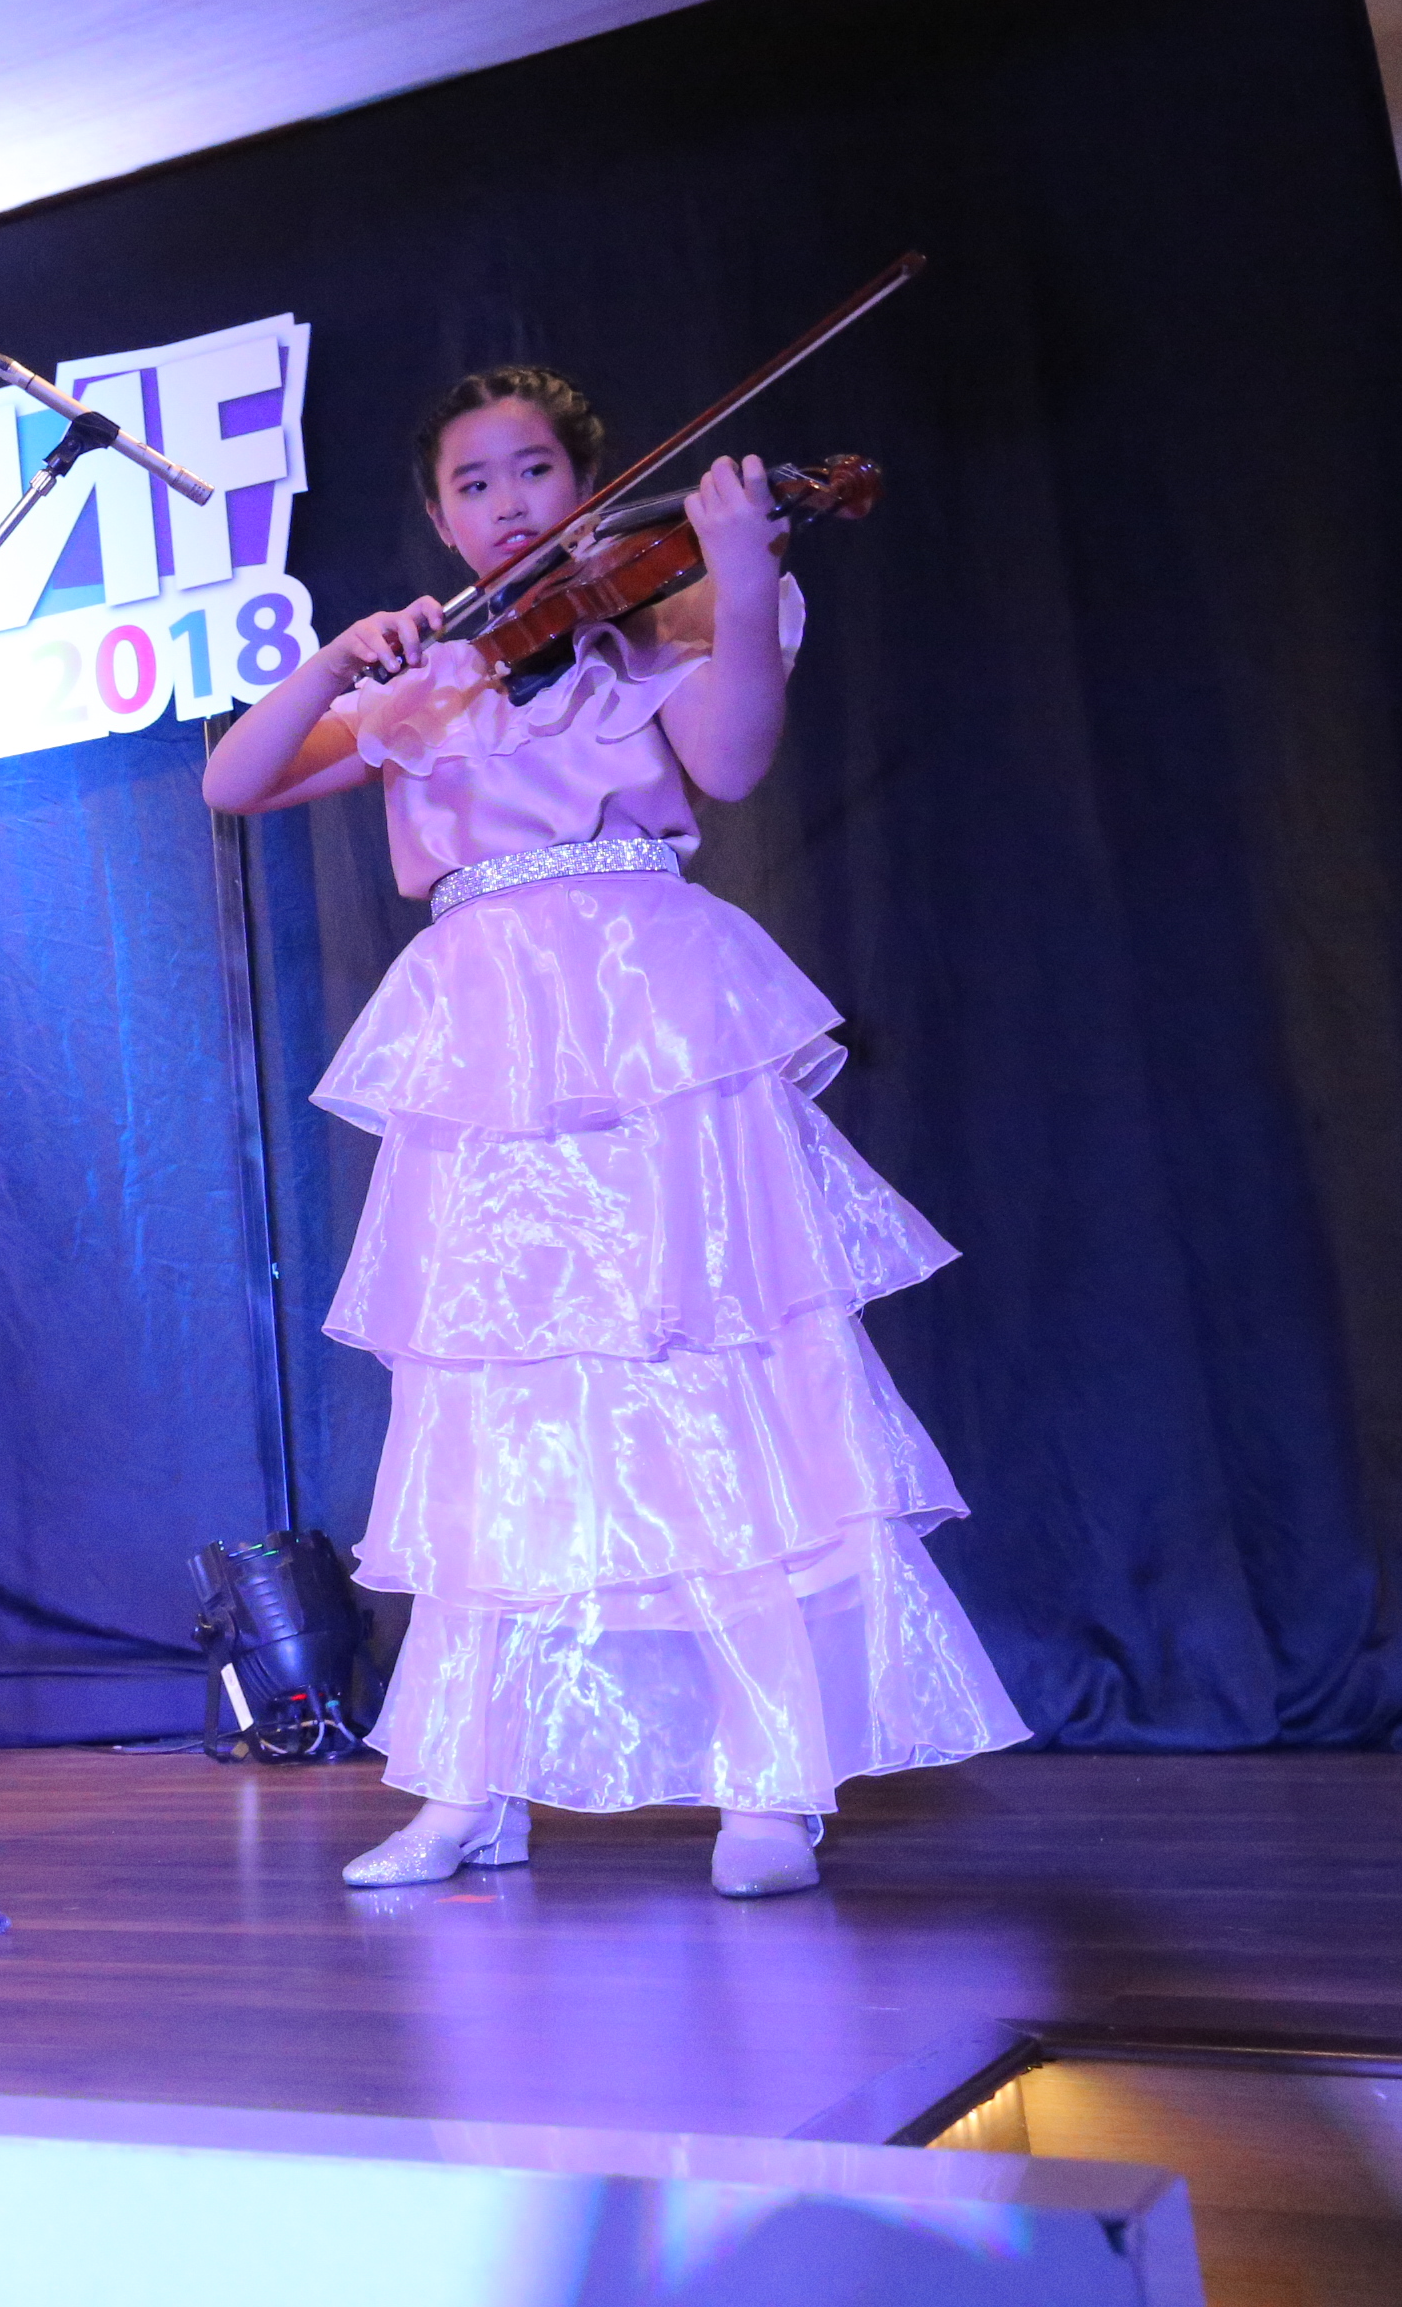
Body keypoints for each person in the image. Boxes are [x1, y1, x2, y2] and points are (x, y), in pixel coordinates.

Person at [199, 367, 1025, 1899]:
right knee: (491, 1399)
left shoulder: (655, 624)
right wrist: (330, 663)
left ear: (585, 483)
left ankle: (771, 1782)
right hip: (486, 1033)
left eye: (532, 470)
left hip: (651, 1010)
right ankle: (469, 1788)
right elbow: (236, 780)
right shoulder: (425, 677)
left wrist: (745, 566)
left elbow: (734, 761)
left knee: (706, 1362)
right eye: (473, 483)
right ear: (439, 513)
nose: (506, 502)